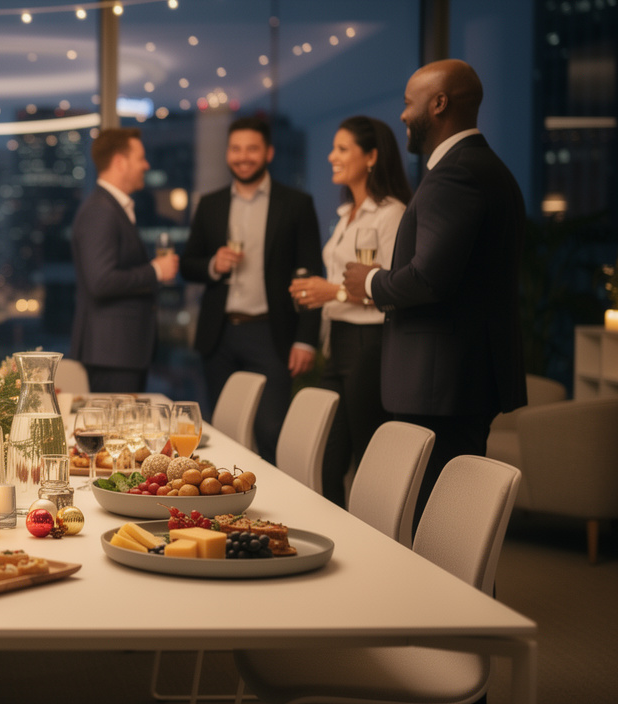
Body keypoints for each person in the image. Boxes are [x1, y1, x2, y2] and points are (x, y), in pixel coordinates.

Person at [344, 59, 527, 519]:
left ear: (439, 103)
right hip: (456, 381)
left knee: (441, 524)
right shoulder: (488, 168)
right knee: (451, 525)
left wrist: (367, 282)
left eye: (409, 103)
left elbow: (429, 278)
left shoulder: (456, 174)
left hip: (442, 384)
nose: (403, 115)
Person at [180, 116, 324, 464]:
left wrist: (306, 339)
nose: (243, 156)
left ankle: (272, 514)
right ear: (228, 153)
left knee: (270, 430)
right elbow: (188, 264)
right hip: (220, 335)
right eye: (236, 149)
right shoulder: (210, 203)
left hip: (271, 333)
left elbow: (313, 274)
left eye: (252, 149)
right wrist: (214, 264)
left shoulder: (296, 203)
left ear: (269, 153)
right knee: (223, 430)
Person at [288, 116, 410, 505]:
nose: (331, 156)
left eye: (343, 149)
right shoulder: (346, 215)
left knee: (366, 459)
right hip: (339, 344)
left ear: (372, 156)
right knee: (327, 459)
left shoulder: (392, 214)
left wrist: (332, 292)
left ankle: (379, 551)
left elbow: (389, 288)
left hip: (368, 343)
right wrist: (317, 295)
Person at [70, 127, 179, 393]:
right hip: (112, 355)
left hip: (118, 353)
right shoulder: (101, 210)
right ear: (120, 162)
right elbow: (101, 281)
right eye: (140, 158)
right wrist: (156, 270)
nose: (146, 165)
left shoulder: (110, 207)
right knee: (114, 433)